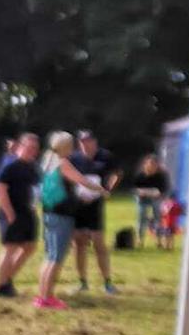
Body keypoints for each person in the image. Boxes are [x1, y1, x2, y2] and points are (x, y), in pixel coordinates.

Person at [36, 131, 104, 310]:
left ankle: (41, 294)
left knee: (49, 256)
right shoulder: (63, 163)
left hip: (49, 212)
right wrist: (101, 189)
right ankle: (48, 298)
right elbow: (82, 180)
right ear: (66, 146)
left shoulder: (47, 160)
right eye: (72, 144)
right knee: (57, 258)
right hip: (62, 214)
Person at [70, 129, 119, 294]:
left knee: (99, 244)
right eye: (82, 141)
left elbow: (116, 173)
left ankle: (107, 282)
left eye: (88, 141)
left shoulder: (105, 156)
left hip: (96, 206)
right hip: (78, 207)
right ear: (79, 143)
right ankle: (82, 282)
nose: (85, 144)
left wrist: (107, 189)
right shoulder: (74, 158)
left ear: (95, 142)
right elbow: (68, 177)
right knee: (79, 244)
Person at [0, 133, 41, 298]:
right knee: (10, 249)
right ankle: (1, 287)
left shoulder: (33, 166)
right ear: (20, 146)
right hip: (12, 213)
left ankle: (6, 279)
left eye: (35, 148)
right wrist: (9, 213)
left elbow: (34, 190)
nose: (32, 151)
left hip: (29, 212)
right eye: (29, 147)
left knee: (30, 246)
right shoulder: (11, 165)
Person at [129, 154, 170, 249]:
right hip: (142, 199)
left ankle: (159, 240)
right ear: (145, 164)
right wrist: (141, 192)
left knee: (158, 216)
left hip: (156, 199)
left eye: (154, 164)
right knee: (142, 215)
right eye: (150, 164)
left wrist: (156, 193)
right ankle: (140, 239)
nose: (152, 166)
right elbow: (134, 189)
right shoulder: (140, 175)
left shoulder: (161, 176)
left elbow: (164, 190)